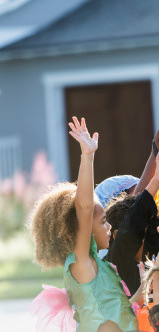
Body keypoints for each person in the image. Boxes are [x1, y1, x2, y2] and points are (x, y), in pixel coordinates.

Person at [28, 117, 141, 331]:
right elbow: (85, 208)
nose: (109, 227)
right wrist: (87, 156)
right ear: (84, 227)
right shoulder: (81, 263)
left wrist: (145, 288)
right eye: (103, 221)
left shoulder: (103, 267)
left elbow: (124, 310)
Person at [104, 144, 159, 296]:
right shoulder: (114, 262)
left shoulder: (153, 254)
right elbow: (133, 220)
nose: (153, 231)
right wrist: (157, 180)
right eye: (143, 229)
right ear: (117, 235)